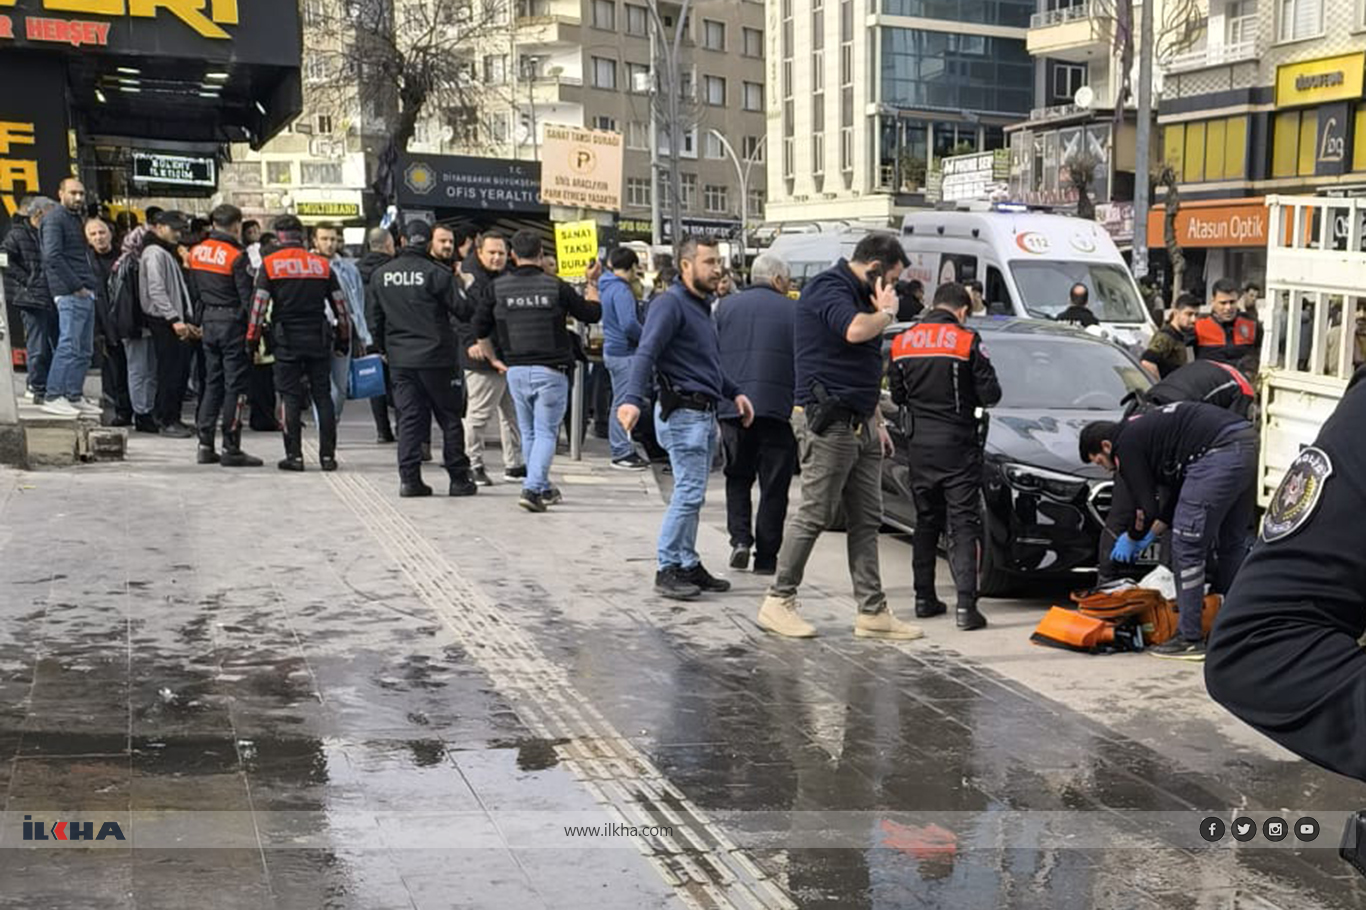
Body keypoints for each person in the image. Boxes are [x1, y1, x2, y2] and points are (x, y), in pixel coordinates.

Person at [1205, 367, 1366, 782]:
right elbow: (1258, 644)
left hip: (1230, 449)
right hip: (1227, 452)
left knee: (1217, 541)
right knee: (1201, 540)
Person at [754, 234, 917, 639]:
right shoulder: (830, 288)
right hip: (828, 422)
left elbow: (860, 364)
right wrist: (888, 314)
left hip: (859, 422)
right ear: (875, 268)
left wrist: (876, 419)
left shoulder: (864, 296)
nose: (892, 289)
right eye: (892, 280)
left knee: (866, 519)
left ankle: (872, 610)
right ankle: (778, 599)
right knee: (815, 513)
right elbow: (855, 332)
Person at [619, 236, 753, 595]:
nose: (717, 268)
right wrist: (631, 399)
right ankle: (668, 567)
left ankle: (687, 563)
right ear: (685, 266)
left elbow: (705, 365)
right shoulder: (670, 304)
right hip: (684, 414)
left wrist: (734, 391)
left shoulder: (700, 306)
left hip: (701, 412)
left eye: (717, 261)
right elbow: (646, 351)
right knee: (689, 494)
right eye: (709, 262)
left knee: (691, 494)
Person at [1080, 401, 1258, 660]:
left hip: (1217, 454)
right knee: (1232, 543)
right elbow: (1175, 495)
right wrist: (1152, 534)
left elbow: (1146, 506)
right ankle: (1234, 629)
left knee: (1187, 546)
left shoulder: (1125, 446)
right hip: (1245, 443)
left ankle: (1189, 637)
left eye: (1099, 460)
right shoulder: (1149, 433)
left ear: (1106, 446)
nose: (1105, 468)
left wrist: (1133, 536)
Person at [889, 282, 1002, 630]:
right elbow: (991, 394)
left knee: (926, 522)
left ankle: (924, 599)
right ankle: (967, 607)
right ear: (963, 310)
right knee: (964, 522)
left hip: (920, 444)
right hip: (959, 445)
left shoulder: (902, 341)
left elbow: (897, 394)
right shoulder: (967, 340)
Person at [1097, 358, 1256, 583]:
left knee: (1123, 510)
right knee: (1183, 516)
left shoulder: (1204, 374)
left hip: (1145, 416)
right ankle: (1169, 583)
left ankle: (1105, 584)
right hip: (1172, 440)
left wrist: (1142, 534)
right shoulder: (1239, 391)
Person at [476, 230, 602, 512]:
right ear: (541, 255)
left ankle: (541, 486)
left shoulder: (497, 288)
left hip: (516, 370)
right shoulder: (555, 286)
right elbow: (592, 313)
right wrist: (592, 282)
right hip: (551, 370)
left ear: (512, 255)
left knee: (530, 432)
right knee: (546, 432)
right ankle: (532, 489)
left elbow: (479, 328)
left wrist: (494, 359)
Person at [366, 220, 478, 498]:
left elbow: (374, 320)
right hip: (438, 358)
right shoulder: (438, 274)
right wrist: (468, 284)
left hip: (401, 359)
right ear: (428, 242)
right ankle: (459, 479)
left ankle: (409, 480)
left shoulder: (381, 275)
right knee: (450, 419)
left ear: (402, 240)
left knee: (409, 420)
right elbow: (464, 310)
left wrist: (382, 349)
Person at [247, 214, 350, 472]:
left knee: (290, 398)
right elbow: (341, 306)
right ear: (302, 236)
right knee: (322, 396)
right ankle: (327, 457)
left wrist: (252, 339)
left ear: (279, 237)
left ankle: (294, 457)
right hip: (317, 336)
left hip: (286, 340)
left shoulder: (270, 265)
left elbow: (258, 306)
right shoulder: (321, 265)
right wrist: (344, 338)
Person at [715, 253, 798, 576]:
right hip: (778, 408)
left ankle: (739, 539)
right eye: (788, 281)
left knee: (737, 476)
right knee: (774, 485)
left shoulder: (724, 307)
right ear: (777, 280)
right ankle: (766, 556)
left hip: (734, 406)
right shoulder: (795, 311)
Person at [187, 203, 262, 467]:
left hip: (209, 322)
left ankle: (205, 444)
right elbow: (246, 297)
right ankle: (232, 446)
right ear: (236, 226)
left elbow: (195, 291)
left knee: (212, 384)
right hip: (232, 323)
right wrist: (254, 333)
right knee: (235, 387)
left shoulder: (196, 252)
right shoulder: (236, 255)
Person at [459, 233, 524, 485]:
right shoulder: (468, 277)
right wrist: (471, 342)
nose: (497, 257)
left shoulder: (509, 275)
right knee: (479, 415)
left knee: (513, 414)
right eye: (492, 253)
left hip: (510, 355)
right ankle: (473, 463)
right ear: (479, 252)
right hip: (481, 357)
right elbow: (459, 315)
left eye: (501, 253)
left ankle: (515, 464)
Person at [40, 177, 102, 417]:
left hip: (83, 289)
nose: (78, 198)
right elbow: (52, 256)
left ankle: (73, 394)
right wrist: (76, 286)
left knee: (84, 348)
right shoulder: (55, 219)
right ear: (60, 193)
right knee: (69, 344)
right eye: (73, 193)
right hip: (70, 292)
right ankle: (54, 395)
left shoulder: (75, 219)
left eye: (81, 193)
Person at [136, 211, 196, 438]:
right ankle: (166, 419)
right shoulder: (154, 253)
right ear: (159, 227)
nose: (178, 234)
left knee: (179, 372)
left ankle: (174, 417)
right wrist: (173, 318)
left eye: (180, 229)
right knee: (170, 372)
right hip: (164, 320)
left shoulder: (167, 252)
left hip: (174, 318)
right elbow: (156, 289)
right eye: (174, 229)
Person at [312, 222, 372, 425]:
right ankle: (325, 428)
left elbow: (358, 302)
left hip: (343, 331)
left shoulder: (348, 268)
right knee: (320, 384)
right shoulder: (309, 265)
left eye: (333, 239)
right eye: (324, 239)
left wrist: (362, 335)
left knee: (340, 386)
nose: (329, 244)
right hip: (316, 331)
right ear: (315, 241)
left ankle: (331, 421)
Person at [2, 196, 59, 405]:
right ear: (38, 214)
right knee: (38, 346)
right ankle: (36, 386)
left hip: (55, 295)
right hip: (32, 298)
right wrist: (28, 281)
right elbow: (3, 259)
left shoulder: (49, 234)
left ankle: (52, 386)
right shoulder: (18, 234)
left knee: (57, 344)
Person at [600, 247, 649, 470]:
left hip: (612, 349)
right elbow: (628, 323)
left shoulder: (606, 285)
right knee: (623, 401)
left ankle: (622, 445)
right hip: (624, 352)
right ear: (631, 267)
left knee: (618, 399)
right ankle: (621, 450)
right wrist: (646, 339)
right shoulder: (621, 291)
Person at [84, 217, 132, 427]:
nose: (99, 238)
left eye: (101, 232)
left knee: (140, 369)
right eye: (93, 234)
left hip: (129, 321)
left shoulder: (127, 258)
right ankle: (123, 411)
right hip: (107, 324)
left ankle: (145, 410)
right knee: (117, 371)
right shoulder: (86, 262)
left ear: (110, 234)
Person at [358, 226, 397, 443]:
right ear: (388, 245)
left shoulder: (355, 269)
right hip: (390, 332)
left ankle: (383, 430)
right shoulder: (393, 269)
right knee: (399, 384)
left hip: (366, 334)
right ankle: (403, 426)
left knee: (374, 383)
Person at [1193, 278, 1260, 371]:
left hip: (1241, 381)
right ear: (1213, 302)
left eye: (1232, 302)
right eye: (1223, 303)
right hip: (1210, 382)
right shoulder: (1199, 326)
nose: (1228, 307)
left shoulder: (1251, 324)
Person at [1140, 293, 1198, 379]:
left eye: (1196, 315)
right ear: (1176, 312)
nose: (1194, 320)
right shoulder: (1166, 336)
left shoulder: (1181, 336)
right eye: (1189, 314)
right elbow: (1147, 362)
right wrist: (1160, 387)